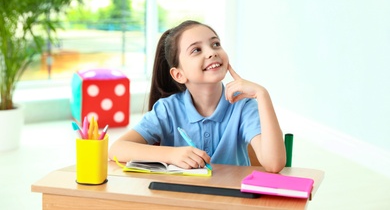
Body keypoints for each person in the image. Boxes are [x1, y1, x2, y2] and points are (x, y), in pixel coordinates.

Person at [109, 20, 286, 173]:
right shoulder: (168, 110)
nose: (212, 52)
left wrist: (262, 95)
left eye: (215, 44)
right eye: (196, 50)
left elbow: (274, 164)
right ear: (178, 74)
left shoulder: (243, 105)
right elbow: (116, 149)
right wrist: (172, 155)